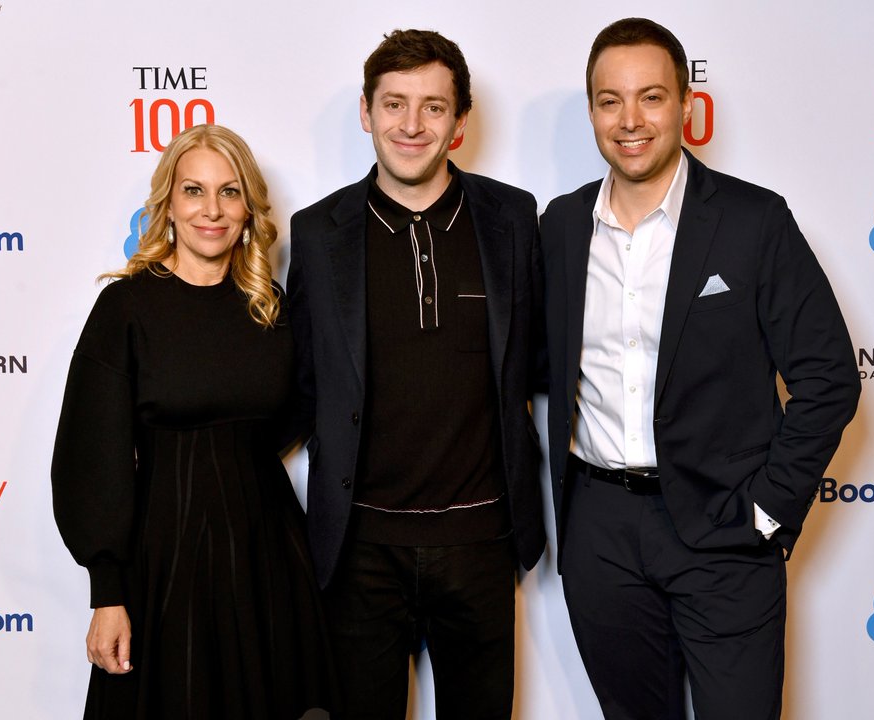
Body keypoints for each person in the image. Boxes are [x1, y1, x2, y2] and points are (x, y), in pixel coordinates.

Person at [540, 18, 861, 720]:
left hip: (724, 531)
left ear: (685, 104)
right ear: (592, 110)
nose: (630, 121)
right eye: (609, 100)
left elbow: (829, 375)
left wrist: (768, 507)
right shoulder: (558, 227)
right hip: (600, 534)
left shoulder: (754, 220)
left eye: (651, 97)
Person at [287, 29, 545, 720]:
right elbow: (300, 385)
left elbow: (546, 358)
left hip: (482, 544)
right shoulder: (317, 233)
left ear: (460, 122)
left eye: (433, 107)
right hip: (360, 553)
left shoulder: (513, 219)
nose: (411, 124)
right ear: (367, 113)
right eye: (394, 104)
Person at [51, 123, 335, 719]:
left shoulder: (271, 307)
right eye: (194, 191)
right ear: (169, 205)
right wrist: (108, 593)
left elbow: (300, 408)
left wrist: (237, 461)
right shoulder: (126, 308)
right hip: (163, 558)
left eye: (229, 192)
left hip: (268, 555)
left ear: (248, 208)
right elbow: (90, 453)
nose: (212, 209)